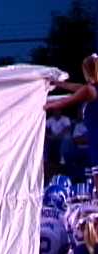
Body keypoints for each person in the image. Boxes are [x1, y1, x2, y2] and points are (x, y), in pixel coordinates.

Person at [45, 55, 98, 195]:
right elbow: (74, 87)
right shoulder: (91, 89)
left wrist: (45, 105)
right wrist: (57, 84)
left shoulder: (90, 90)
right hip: (94, 140)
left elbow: (66, 101)